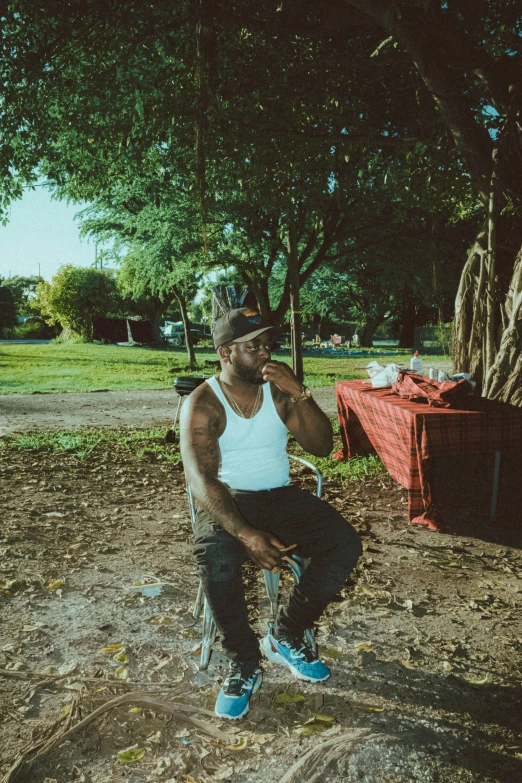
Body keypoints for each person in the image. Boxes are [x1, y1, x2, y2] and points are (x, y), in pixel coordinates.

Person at [180, 307, 361, 720]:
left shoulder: (279, 391)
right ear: (225, 353)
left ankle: (285, 635)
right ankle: (243, 661)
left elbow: (319, 446)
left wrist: (298, 391)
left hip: (279, 496)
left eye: (267, 343)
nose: (265, 352)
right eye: (253, 345)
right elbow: (203, 480)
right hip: (227, 499)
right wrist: (245, 534)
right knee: (218, 559)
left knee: (344, 543)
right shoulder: (203, 403)